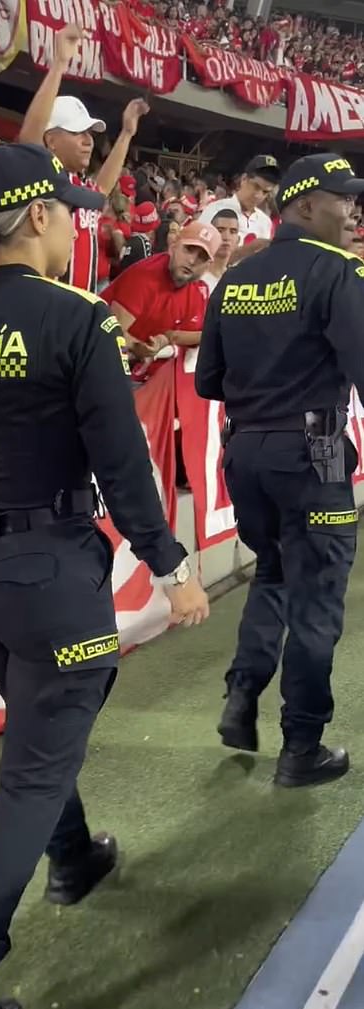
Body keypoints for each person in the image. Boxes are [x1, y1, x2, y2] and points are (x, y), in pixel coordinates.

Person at [0, 142, 209, 1009]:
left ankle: (74, 858)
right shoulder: (76, 319)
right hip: (49, 570)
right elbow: (120, 463)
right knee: (33, 773)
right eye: (69, 210)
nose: (78, 222)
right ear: (37, 216)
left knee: (45, 725)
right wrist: (173, 567)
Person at [196, 152, 364, 788]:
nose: (352, 209)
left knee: (273, 575)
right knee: (317, 598)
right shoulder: (339, 271)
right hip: (312, 455)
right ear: (302, 205)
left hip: (246, 455)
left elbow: (209, 379)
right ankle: (302, 748)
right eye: (341, 198)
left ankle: (242, 694)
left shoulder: (239, 275)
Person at [18, 23, 148, 292]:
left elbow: (103, 187)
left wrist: (126, 133)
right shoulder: (40, 179)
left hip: (78, 305)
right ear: (50, 140)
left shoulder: (79, 187)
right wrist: (60, 64)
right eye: (78, 132)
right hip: (44, 307)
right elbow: (29, 138)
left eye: (90, 133)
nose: (89, 140)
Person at [105, 221, 220, 379]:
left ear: (207, 266)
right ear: (173, 247)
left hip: (151, 378)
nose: (192, 261)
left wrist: (167, 339)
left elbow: (190, 334)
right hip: (109, 368)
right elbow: (109, 332)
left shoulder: (200, 290)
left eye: (201, 257)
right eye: (188, 250)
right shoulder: (144, 278)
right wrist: (139, 347)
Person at [200, 155, 280, 260]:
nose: (258, 195)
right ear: (244, 179)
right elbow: (199, 254)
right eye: (256, 186)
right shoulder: (215, 210)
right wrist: (247, 250)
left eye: (265, 192)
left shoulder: (265, 222)